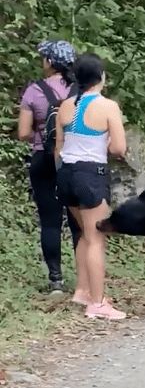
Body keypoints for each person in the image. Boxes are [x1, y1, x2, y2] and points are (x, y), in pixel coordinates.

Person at [55, 53, 127, 320]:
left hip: (65, 175)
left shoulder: (64, 106)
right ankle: (97, 303)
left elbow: (58, 147)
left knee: (85, 234)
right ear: (101, 78)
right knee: (96, 238)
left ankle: (83, 290)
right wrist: (107, 144)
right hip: (90, 175)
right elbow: (119, 148)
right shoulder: (108, 106)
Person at [18, 40, 81, 294]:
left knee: (50, 221)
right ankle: (85, 280)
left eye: (44, 57)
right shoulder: (80, 89)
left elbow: (23, 133)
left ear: (50, 62)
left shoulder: (34, 91)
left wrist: (41, 131)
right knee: (79, 221)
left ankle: (56, 280)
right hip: (75, 158)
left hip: (43, 158)